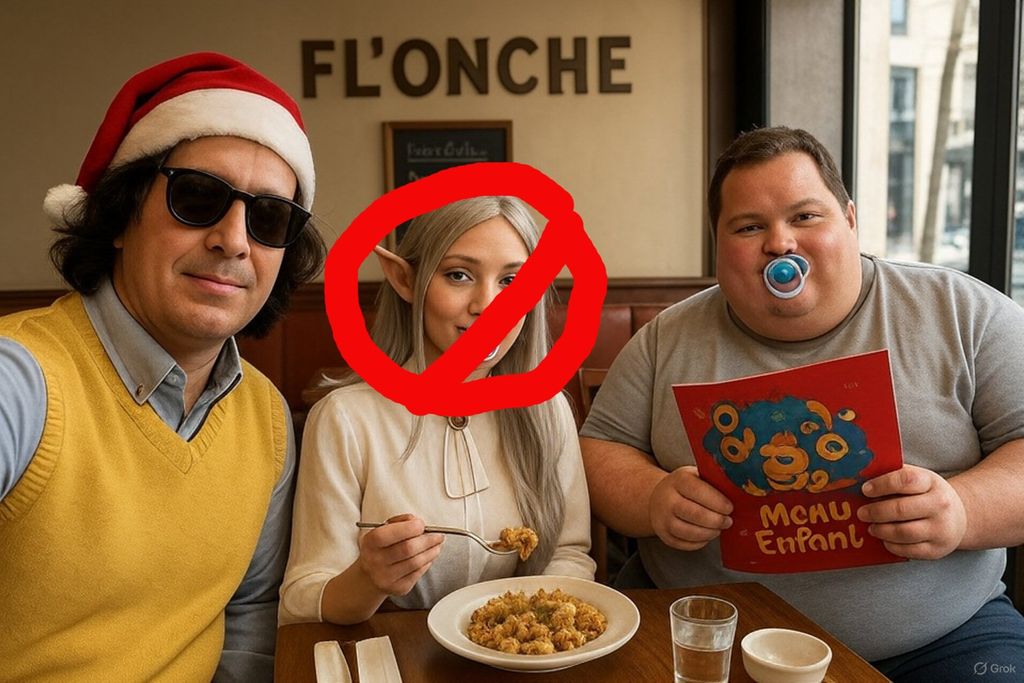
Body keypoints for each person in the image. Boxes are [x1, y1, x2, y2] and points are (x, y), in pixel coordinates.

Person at [580, 126, 1024, 682]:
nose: (780, 243)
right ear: (718, 243)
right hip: (703, 639)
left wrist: (962, 510)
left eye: (805, 216)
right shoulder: (663, 340)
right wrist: (652, 498)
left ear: (850, 220)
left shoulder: (966, 313)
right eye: (749, 227)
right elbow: (601, 449)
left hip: (940, 642)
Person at [0, 53, 327, 682]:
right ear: (120, 217)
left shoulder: (267, 417)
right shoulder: (19, 382)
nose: (235, 240)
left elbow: (249, 615)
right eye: (197, 197)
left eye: (268, 218)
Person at [279, 196, 595, 625]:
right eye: (459, 275)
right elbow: (302, 599)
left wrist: (533, 634)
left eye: (511, 280)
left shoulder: (548, 409)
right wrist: (368, 579)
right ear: (405, 280)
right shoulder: (344, 419)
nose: (488, 305)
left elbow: (568, 554)